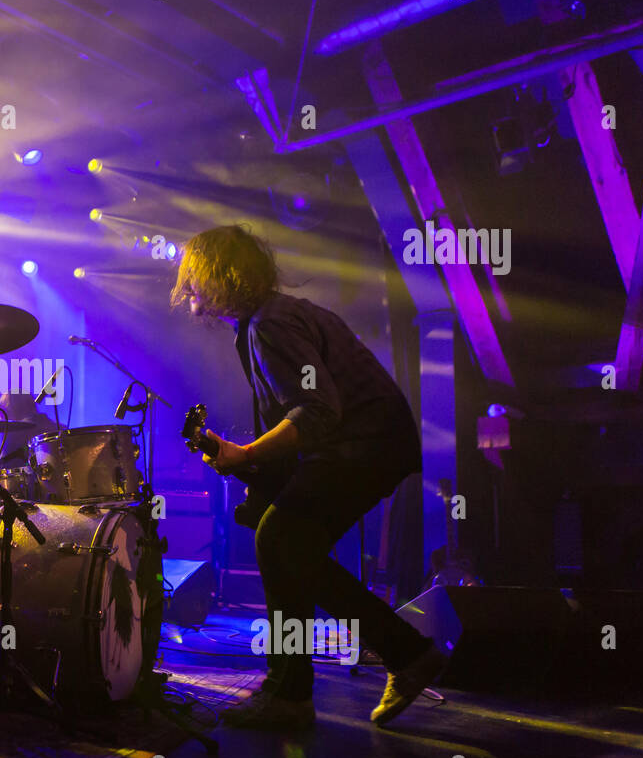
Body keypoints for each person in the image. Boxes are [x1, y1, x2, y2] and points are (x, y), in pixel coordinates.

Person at [171, 224, 448, 730]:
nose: (187, 288)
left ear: (218, 276)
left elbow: (317, 412)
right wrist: (247, 461)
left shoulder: (269, 325)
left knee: (280, 539)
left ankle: (295, 693)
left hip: (366, 444)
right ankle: (392, 658)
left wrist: (246, 452)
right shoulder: (272, 318)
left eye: (193, 276)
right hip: (374, 441)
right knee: (288, 544)